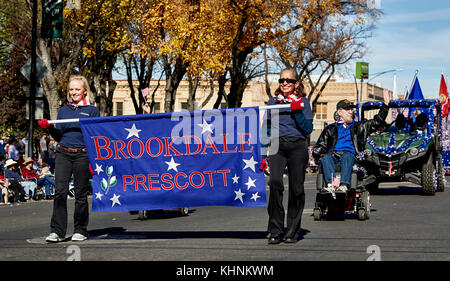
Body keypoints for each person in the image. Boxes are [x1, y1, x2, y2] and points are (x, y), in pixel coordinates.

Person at [38, 75, 100, 243]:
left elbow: (96, 135)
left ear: (84, 90)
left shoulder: (92, 110)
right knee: (60, 192)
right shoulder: (64, 110)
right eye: (71, 89)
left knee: (80, 193)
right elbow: (59, 136)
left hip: (82, 154)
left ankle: (80, 230)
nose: (73, 92)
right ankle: (57, 232)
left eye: (77, 89)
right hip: (63, 153)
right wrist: (49, 127)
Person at [261, 68, 313, 244]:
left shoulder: (304, 102)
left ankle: (292, 230)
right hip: (277, 146)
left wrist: (297, 110)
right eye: (282, 80)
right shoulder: (273, 102)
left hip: (297, 147)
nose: (284, 83)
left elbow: (307, 129)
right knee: (275, 183)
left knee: (296, 189)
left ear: (296, 83)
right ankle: (275, 229)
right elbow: (266, 128)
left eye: (289, 81)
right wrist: (262, 152)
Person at [313, 91, 390, 195]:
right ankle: (330, 185)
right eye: (347, 109)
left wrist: (385, 106)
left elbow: (377, 122)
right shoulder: (330, 129)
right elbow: (321, 145)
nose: (351, 112)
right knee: (326, 157)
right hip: (334, 155)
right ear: (339, 112)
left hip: (351, 156)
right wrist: (317, 151)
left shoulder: (360, 126)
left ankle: (344, 185)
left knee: (347, 156)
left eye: (351, 109)